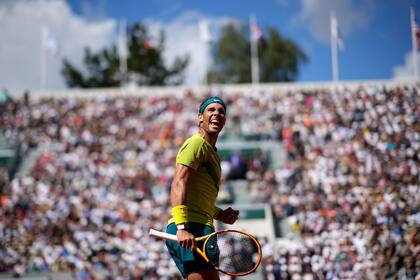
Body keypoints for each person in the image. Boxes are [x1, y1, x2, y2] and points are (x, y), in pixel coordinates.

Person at [165, 96, 240, 280]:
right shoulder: (196, 143)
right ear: (200, 117)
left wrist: (219, 214)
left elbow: (198, 196)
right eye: (211, 110)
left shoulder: (212, 153)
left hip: (200, 226)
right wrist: (182, 227)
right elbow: (178, 182)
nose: (216, 114)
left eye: (221, 111)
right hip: (191, 228)